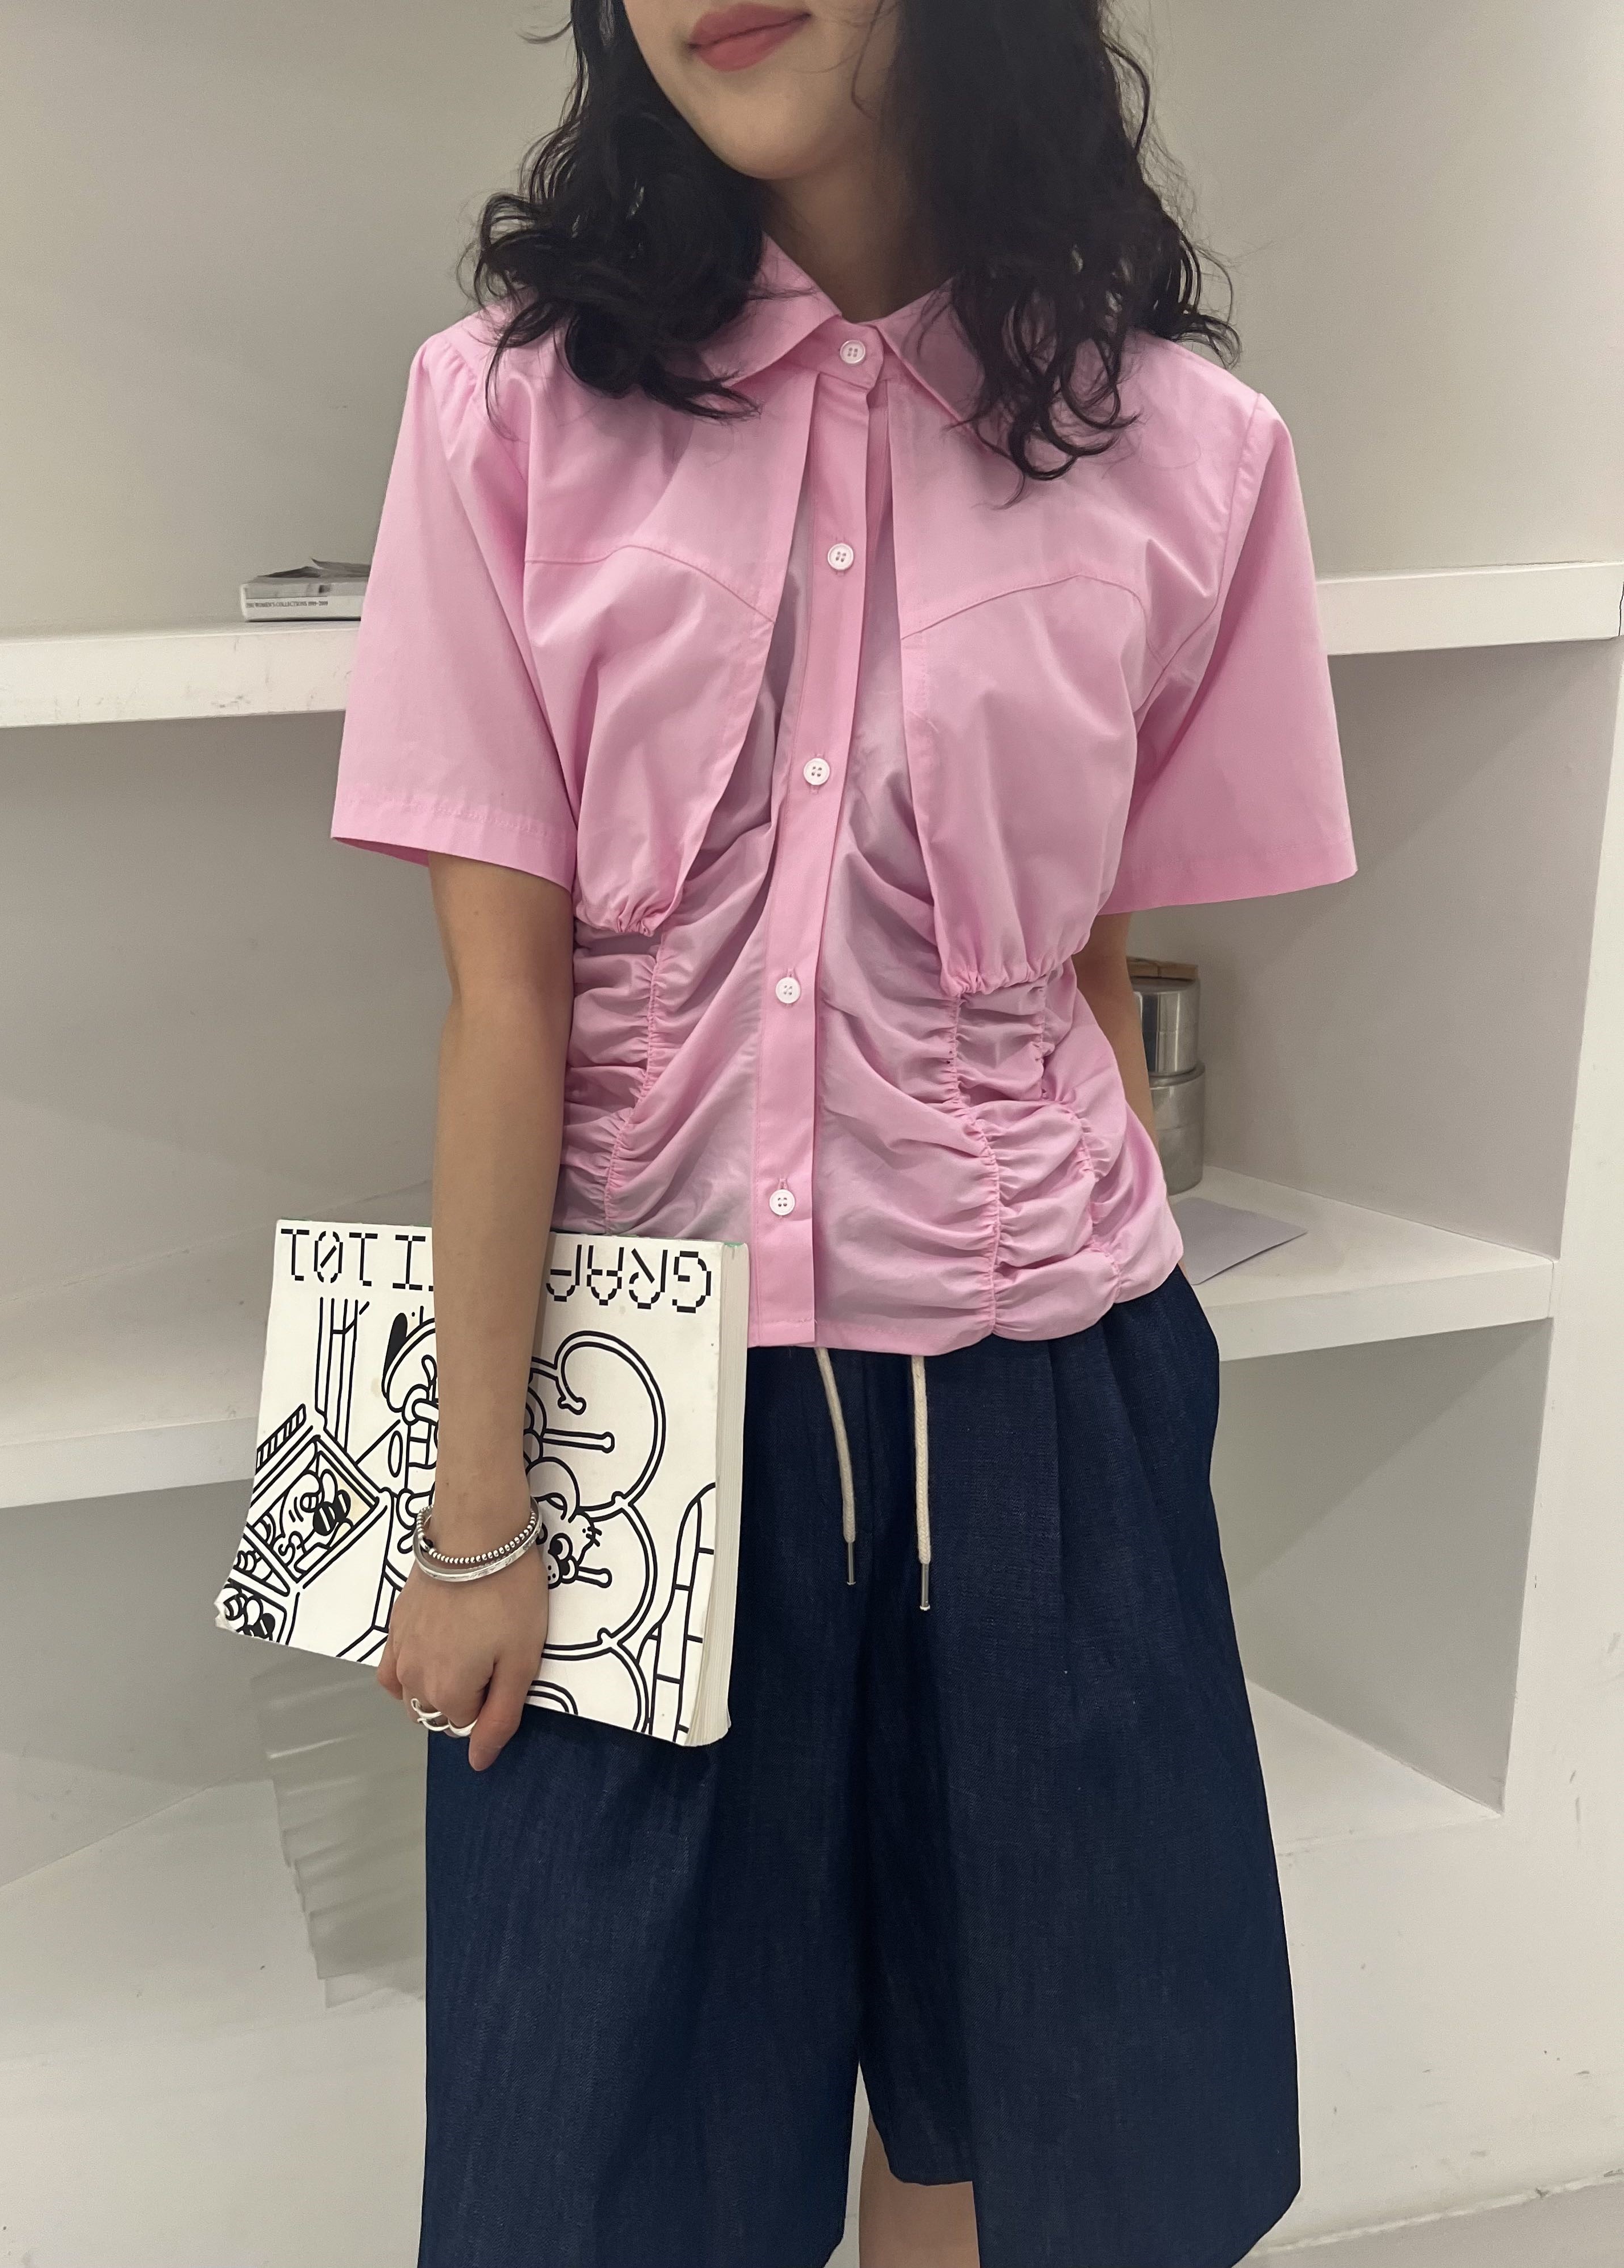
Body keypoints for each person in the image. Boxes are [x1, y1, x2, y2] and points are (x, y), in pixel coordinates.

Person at [327, 2, 1357, 2261]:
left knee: (1025, 2124)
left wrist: (1138, 1389)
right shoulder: (506, 412)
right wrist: (474, 1517)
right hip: (636, 1412)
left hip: (1047, 1403)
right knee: (595, 2163)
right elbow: (504, 1003)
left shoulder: (1188, 451)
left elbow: (1086, 968)